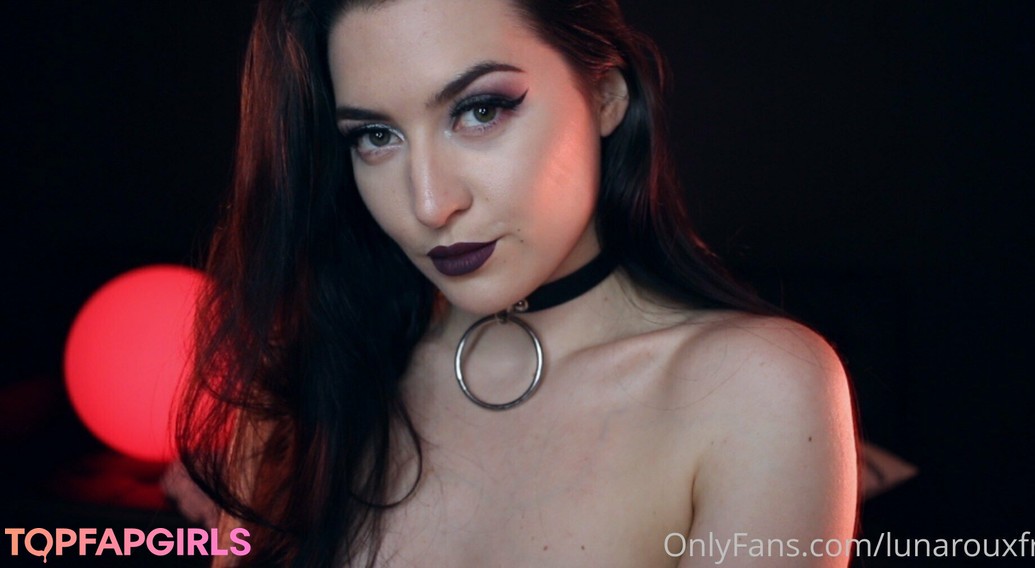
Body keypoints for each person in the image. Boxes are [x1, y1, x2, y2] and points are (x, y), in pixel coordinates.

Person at [176, 0, 858, 565]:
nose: (429, 204)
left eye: (480, 111)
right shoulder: (303, 382)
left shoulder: (753, 389)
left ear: (605, 95)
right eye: (375, 136)